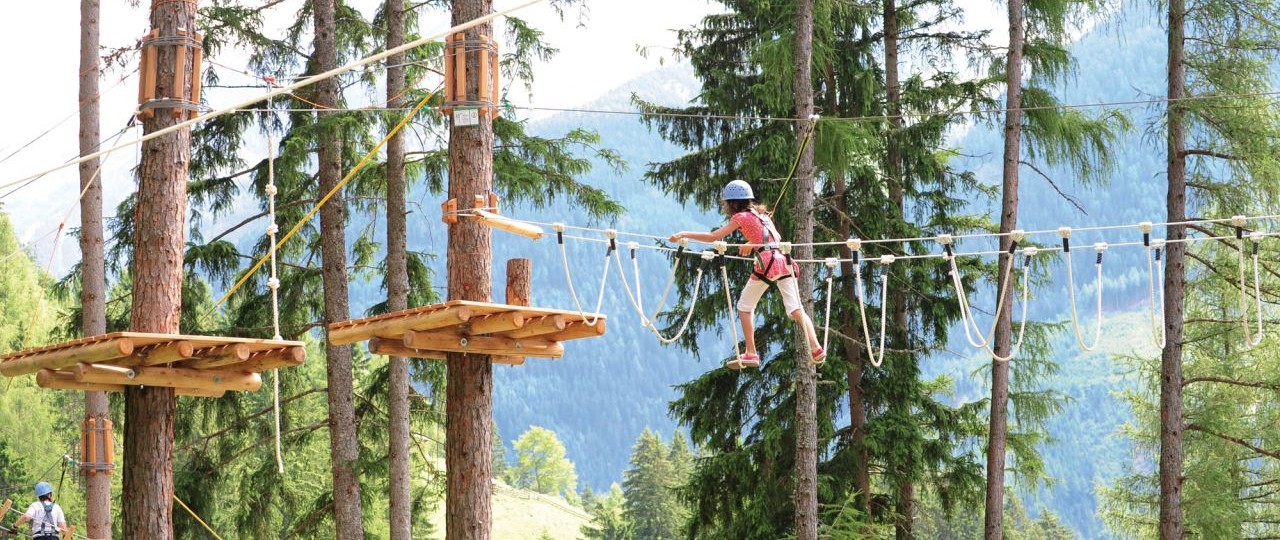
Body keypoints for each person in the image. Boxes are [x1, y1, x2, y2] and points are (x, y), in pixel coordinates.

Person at [669, 179, 826, 369]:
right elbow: (774, 238)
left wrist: (683, 234)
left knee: (744, 306)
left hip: (767, 263)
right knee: (795, 309)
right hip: (784, 261)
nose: (725, 207)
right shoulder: (762, 215)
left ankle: (751, 353)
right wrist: (751, 243)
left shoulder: (741, 217)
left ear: (733, 203)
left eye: (726, 203)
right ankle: (816, 348)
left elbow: (714, 237)